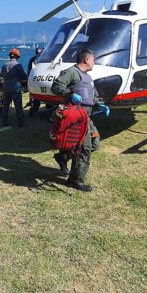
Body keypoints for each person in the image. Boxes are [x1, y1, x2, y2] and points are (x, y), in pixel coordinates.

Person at [50, 48, 108, 192]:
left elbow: (91, 96)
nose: (94, 62)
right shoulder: (72, 72)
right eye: (93, 59)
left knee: (94, 143)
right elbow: (56, 86)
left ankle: (63, 157)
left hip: (86, 117)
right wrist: (70, 95)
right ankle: (76, 180)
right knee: (84, 148)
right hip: (76, 117)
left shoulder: (87, 77)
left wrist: (98, 104)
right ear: (86, 60)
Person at [0, 48, 28, 130]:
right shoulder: (18, 65)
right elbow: (23, 76)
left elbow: (1, 75)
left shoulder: (4, 65)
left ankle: (4, 122)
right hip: (15, 88)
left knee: (5, 106)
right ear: (17, 56)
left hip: (6, 88)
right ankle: (20, 123)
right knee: (18, 106)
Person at [27, 46, 43, 116]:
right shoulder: (32, 60)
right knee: (36, 97)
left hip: (42, 79)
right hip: (36, 81)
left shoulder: (46, 59)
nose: (38, 56)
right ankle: (35, 109)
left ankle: (48, 108)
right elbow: (29, 70)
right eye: (38, 54)